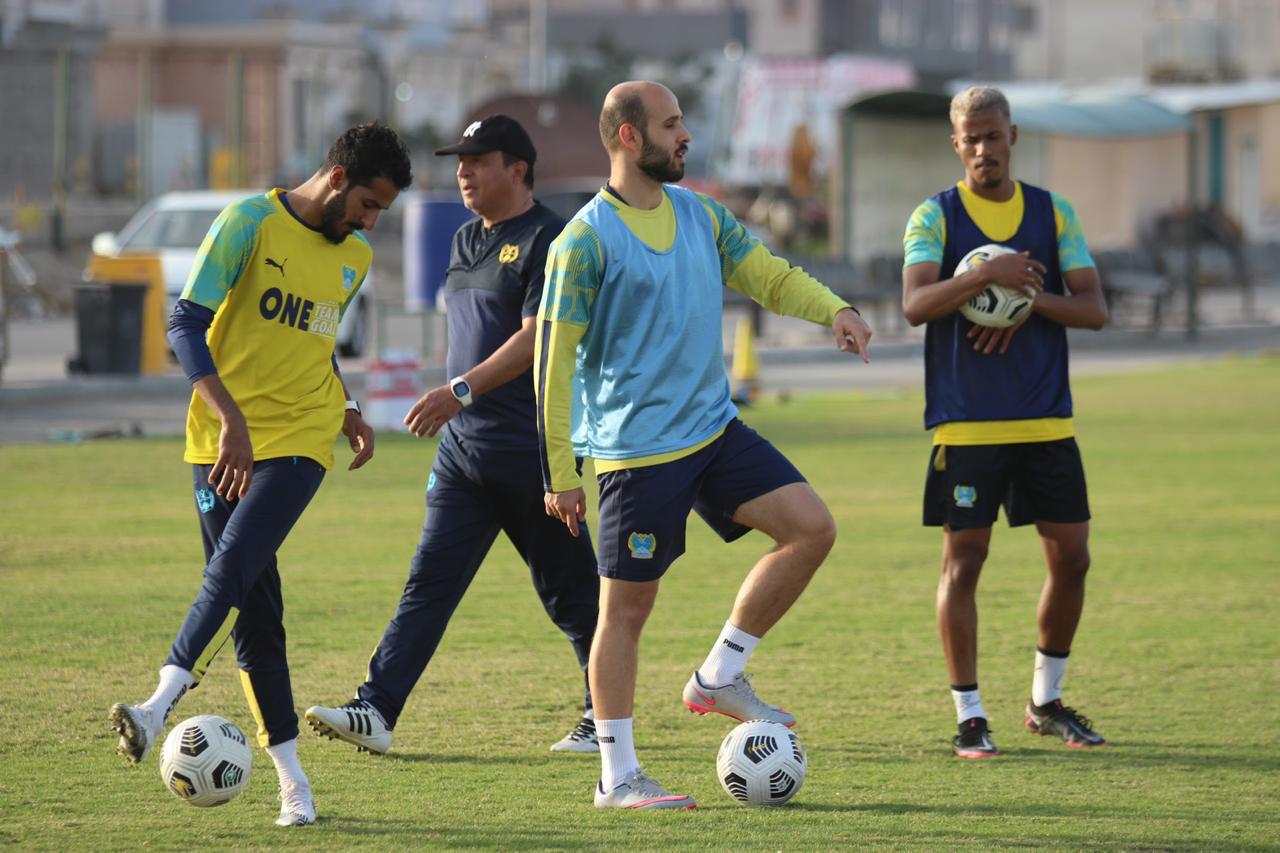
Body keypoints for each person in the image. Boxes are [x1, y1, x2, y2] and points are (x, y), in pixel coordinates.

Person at [536, 81, 874, 809]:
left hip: (715, 431)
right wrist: (560, 472)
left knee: (811, 527)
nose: (685, 134)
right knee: (624, 613)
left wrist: (834, 310)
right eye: (671, 123)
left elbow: (769, 276)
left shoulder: (699, 215)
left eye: (683, 120)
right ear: (629, 137)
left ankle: (719, 675)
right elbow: (552, 365)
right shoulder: (584, 241)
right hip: (636, 454)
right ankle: (617, 776)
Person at [109, 122, 413, 826]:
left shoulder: (355, 255)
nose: (370, 223)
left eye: (381, 213)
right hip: (219, 442)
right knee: (258, 614)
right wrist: (231, 420)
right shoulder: (247, 224)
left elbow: (317, 343)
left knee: (234, 566)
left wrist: (347, 408)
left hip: (302, 440)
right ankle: (293, 782)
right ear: (338, 178)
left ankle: (156, 708)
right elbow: (185, 322)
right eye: (369, 204)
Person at [304, 115, 601, 756]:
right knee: (427, 585)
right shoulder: (466, 239)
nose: (462, 171)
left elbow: (535, 340)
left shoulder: (555, 239)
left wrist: (459, 390)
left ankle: (603, 714)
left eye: (477, 159)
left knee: (571, 593)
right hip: (464, 454)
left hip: (532, 451)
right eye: (459, 160)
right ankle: (376, 710)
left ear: (517, 169)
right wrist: (458, 403)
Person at [901, 86, 1109, 759]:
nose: (985, 149)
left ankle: (1045, 701)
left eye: (994, 135)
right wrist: (986, 274)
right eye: (972, 138)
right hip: (968, 424)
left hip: (1045, 418)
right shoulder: (933, 216)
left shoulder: (1052, 213)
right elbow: (915, 303)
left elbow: (1094, 308)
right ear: (955, 145)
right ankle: (969, 714)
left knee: (1073, 557)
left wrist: (1028, 295)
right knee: (964, 563)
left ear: (1012, 135)